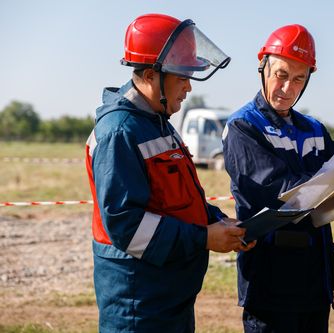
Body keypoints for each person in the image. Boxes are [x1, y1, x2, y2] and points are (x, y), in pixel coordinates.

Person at [222, 24, 334, 333]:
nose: (287, 88)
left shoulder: (314, 129)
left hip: (315, 281)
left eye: (299, 79)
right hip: (270, 281)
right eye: (281, 74)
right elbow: (281, 195)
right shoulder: (243, 127)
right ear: (263, 67)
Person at [85, 13, 254, 333]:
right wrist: (204, 238)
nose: (189, 87)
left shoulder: (157, 123)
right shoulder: (120, 132)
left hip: (168, 300)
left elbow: (181, 199)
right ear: (151, 75)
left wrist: (218, 221)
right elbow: (127, 226)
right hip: (138, 307)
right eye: (182, 76)